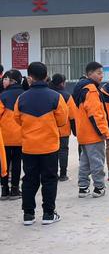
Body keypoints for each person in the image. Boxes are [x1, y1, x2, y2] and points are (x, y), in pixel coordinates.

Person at [14, 62, 68, 226]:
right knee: (50, 179)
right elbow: (62, 120)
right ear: (46, 76)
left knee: (29, 180)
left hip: (29, 147)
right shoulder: (55, 97)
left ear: (30, 77)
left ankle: (28, 215)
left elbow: (17, 119)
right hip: (49, 146)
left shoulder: (21, 97)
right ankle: (48, 214)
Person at [73, 61, 109, 199]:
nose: (101, 76)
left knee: (85, 162)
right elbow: (95, 114)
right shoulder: (91, 90)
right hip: (93, 134)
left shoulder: (79, 88)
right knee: (97, 162)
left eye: (102, 73)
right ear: (89, 74)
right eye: (98, 73)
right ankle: (99, 187)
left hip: (83, 133)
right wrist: (102, 131)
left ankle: (83, 188)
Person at [0, 70, 24, 200]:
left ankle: (4, 190)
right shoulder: (25, 95)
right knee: (16, 163)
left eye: (5, 79)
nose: (3, 81)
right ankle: (15, 190)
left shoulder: (2, 96)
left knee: (4, 163)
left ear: (13, 81)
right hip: (20, 136)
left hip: (4, 137)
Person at [49, 74, 77, 181]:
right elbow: (73, 115)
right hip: (64, 129)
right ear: (62, 83)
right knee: (63, 151)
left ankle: (53, 173)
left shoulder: (48, 94)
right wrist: (75, 131)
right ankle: (63, 174)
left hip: (50, 129)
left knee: (52, 152)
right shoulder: (66, 96)